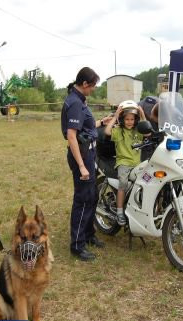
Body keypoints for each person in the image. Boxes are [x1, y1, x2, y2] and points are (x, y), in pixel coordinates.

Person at [61, 67, 105, 262]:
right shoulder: (75, 103)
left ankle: (88, 234)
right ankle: (77, 245)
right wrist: (81, 166)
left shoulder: (79, 100)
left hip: (89, 152)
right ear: (85, 84)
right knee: (83, 199)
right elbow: (71, 136)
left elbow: (84, 127)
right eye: (93, 85)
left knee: (92, 196)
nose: (94, 89)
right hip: (82, 156)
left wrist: (101, 122)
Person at [104, 102, 146, 225]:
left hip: (137, 164)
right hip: (123, 162)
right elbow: (107, 131)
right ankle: (119, 211)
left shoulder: (138, 131)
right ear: (122, 120)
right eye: (127, 119)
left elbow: (148, 131)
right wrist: (115, 116)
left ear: (136, 119)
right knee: (123, 183)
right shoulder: (118, 131)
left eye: (132, 119)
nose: (129, 122)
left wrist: (142, 113)